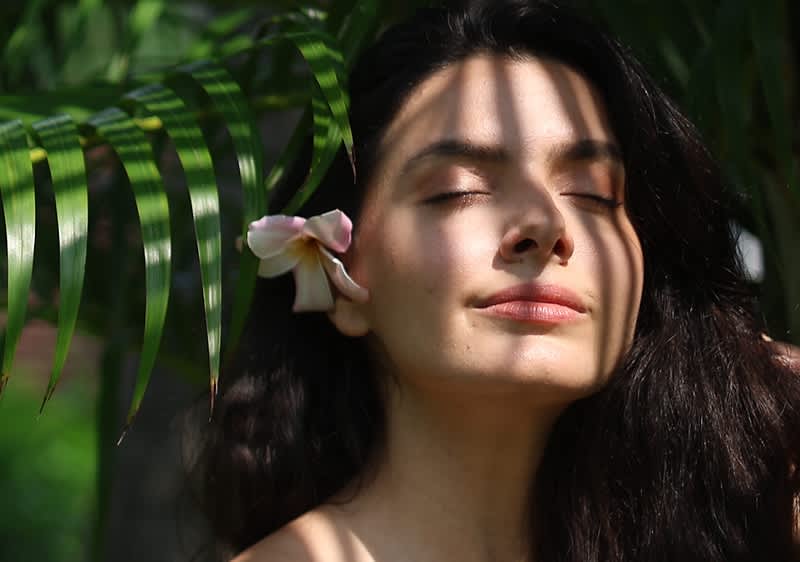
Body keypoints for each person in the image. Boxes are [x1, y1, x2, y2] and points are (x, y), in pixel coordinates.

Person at [193, 1, 800, 560]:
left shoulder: (739, 524)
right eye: (459, 189)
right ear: (338, 271)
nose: (545, 223)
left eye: (593, 194)